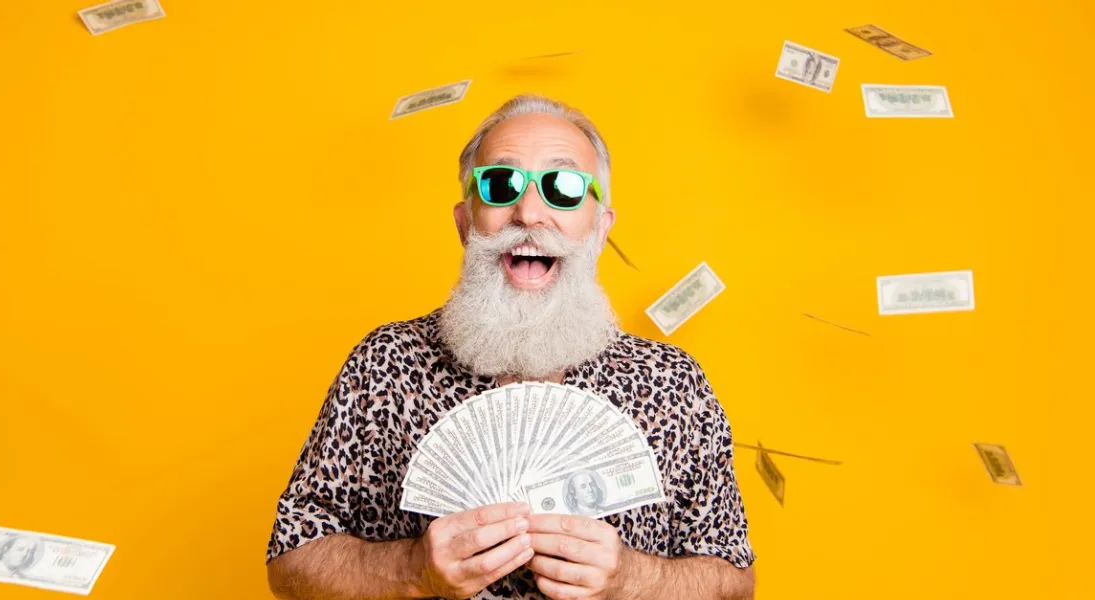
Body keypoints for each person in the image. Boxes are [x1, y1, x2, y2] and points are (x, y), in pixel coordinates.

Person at [266, 94, 756, 600]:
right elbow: (291, 559)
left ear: (600, 229)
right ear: (465, 223)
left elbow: (735, 581)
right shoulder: (385, 364)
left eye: (563, 187)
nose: (529, 212)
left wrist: (636, 579)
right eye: (501, 185)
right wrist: (413, 569)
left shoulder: (672, 385)